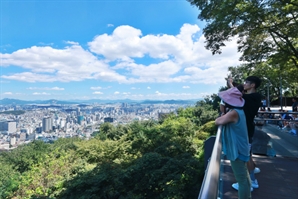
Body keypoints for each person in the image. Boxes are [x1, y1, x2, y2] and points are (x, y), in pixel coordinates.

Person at [215, 87, 251, 199]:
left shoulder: (233, 113)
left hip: (237, 150)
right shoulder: (236, 111)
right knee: (245, 176)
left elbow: (218, 121)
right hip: (242, 147)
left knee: (242, 180)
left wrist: (222, 109)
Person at [228, 76, 262, 190]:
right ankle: (252, 176)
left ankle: (251, 181)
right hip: (248, 128)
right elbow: (238, 92)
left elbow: (235, 93)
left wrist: (230, 83)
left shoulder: (252, 96)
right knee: (248, 155)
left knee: (246, 157)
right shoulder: (253, 97)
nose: (244, 84)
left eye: (247, 82)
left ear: (253, 85)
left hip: (245, 130)